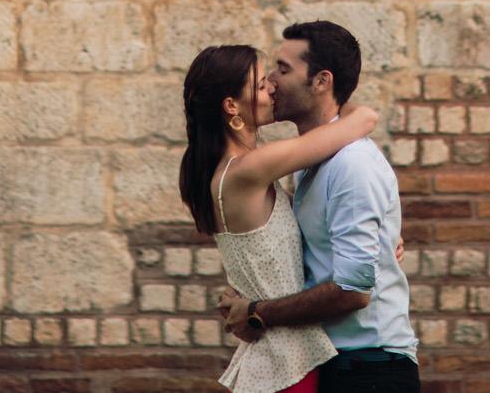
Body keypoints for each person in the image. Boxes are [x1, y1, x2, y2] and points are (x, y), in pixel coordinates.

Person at [217, 21, 419, 392]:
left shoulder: (350, 164)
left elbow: (352, 290)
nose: (272, 82)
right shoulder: (313, 162)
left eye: (283, 69)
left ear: (321, 81)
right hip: (333, 362)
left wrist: (259, 312)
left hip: (367, 367)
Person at [179, 43, 380, 393]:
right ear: (231, 107)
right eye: (259, 85)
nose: (271, 86)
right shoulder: (248, 169)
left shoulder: (234, 172)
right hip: (285, 363)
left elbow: (307, 227)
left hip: (281, 357)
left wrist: (380, 234)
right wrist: (326, 90)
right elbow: (365, 119)